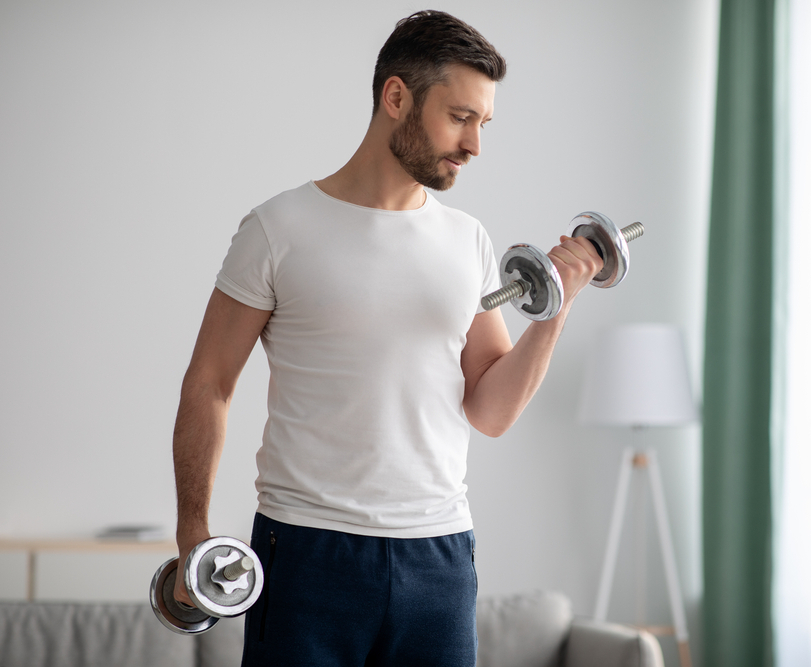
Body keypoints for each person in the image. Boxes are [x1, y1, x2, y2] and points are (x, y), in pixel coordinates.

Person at [171, 10, 602, 667]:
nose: (475, 145)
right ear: (396, 96)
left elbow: (490, 411)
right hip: (306, 550)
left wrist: (554, 313)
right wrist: (192, 534)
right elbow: (209, 384)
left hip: (440, 556)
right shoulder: (277, 228)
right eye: (461, 117)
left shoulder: (469, 241)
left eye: (483, 124)